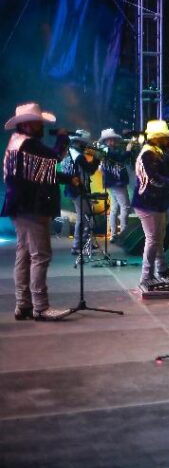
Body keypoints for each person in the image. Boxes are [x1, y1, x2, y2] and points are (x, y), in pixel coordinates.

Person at [2, 102, 74, 320]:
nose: (42, 127)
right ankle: (40, 307)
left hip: (20, 206)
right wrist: (62, 139)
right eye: (38, 123)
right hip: (31, 207)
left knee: (24, 255)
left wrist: (66, 178)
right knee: (40, 255)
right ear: (27, 125)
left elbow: (40, 172)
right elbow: (54, 159)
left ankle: (23, 304)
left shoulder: (16, 142)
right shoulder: (29, 145)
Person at [131, 119, 169, 286]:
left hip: (154, 202)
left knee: (158, 238)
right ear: (157, 137)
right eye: (165, 137)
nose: (168, 140)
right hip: (148, 203)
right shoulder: (148, 153)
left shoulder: (155, 151)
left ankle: (161, 269)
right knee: (153, 239)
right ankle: (146, 276)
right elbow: (153, 179)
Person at [63, 131, 100, 254]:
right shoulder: (77, 156)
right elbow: (90, 170)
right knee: (83, 218)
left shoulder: (71, 154)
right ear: (79, 143)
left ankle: (85, 242)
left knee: (87, 217)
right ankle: (77, 246)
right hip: (77, 190)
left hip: (75, 190)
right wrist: (96, 158)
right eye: (84, 144)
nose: (86, 146)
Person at [98, 128, 134, 237]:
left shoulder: (107, 150)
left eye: (113, 140)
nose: (112, 142)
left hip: (112, 182)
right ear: (105, 141)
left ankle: (113, 233)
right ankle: (123, 233)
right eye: (110, 140)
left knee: (114, 207)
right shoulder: (106, 150)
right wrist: (128, 150)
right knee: (125, 206)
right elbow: (120, 158)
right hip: (116, 182)